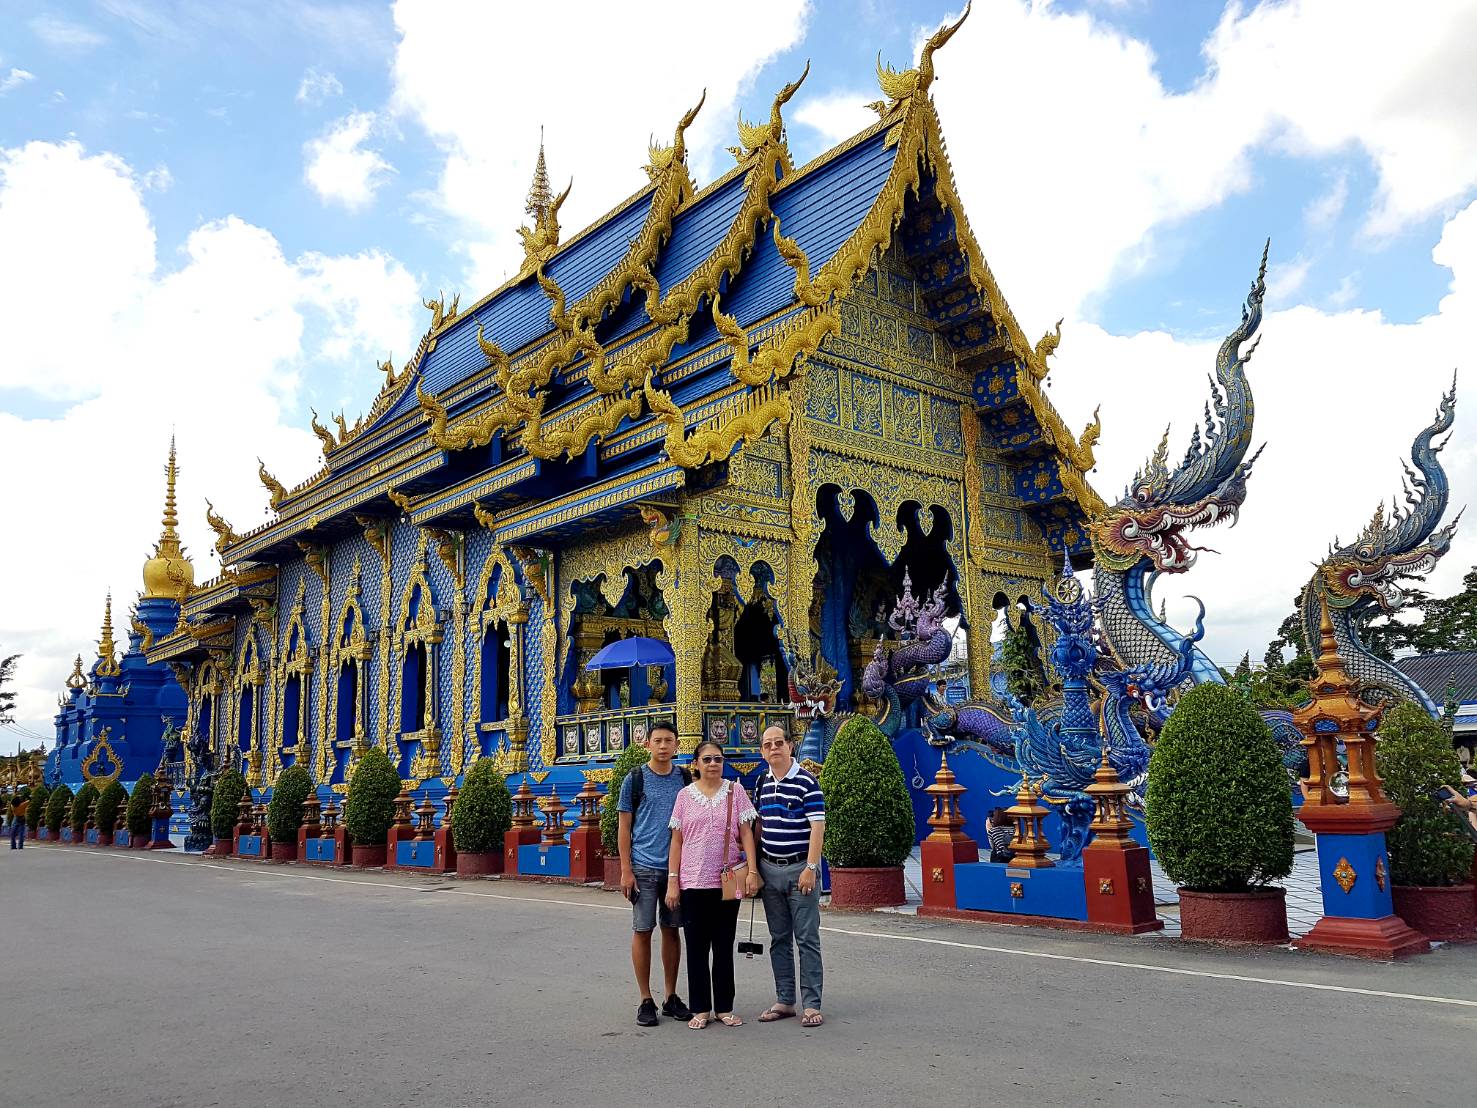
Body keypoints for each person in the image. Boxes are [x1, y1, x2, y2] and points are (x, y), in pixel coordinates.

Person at [666, 740, 759, 1029]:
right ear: (695, 763)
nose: (712, 764)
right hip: (692, 881)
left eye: (717, 759)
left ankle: (724, 1006)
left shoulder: (736, 791)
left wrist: (753, 870)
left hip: (727, 880)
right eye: (706, 759)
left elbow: (746, 833)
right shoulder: (684, 796)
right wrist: (672, 881)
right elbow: (677, 841)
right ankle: (700, 1008)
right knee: (696, 946)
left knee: (722, 944)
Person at [616, 720, 692, 1027]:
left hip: (675, 870)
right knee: (643, 929)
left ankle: (671, 996)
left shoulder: (685, 779)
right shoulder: (634, 779)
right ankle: (645, 998)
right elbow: (624, 826)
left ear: (676, 745)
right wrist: (625, 870)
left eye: (668, 741)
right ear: (647, 744)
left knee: (672, 930)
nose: (663, 746)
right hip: (644, 867)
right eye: (657, 740)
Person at [754, 723, 826, 1028]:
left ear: (790, 746)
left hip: (800, 869)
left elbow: (817, 827)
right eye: (767, 744)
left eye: (778, 743)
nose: (773, 748)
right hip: (770, 869)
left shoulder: (807, 783)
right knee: (778, 938)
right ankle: (785, 1000)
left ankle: (811, 1004)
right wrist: (754, 868)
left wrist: (811, 868)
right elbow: (758, 826)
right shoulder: (761, 783)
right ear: (762, 751)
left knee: (807, 938)